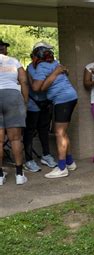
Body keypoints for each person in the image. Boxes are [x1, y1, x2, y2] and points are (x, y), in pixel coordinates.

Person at [31, 42, 78, 179]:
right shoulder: (56, 64)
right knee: (62, 132)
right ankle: (69, 162)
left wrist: (52, 75)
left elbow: (37, 87)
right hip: (70, 97)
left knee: (59, 133)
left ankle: (62, 167)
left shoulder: (41, 67)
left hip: (62, 99)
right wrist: (56, 72)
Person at [24, 45, 57, 173]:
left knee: (44, 130)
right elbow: (35, 86)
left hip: (45, 102)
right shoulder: (30, 69)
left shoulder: (50, 65)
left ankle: (46, 155)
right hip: (33, 103)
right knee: (30, 131)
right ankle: (28, 160)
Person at [0, 39, 28, 185]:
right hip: (12, 96)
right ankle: (19, 174)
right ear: (4, 49)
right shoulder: (14, 62)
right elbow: (23, 81)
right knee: (15, 139)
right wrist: (25, 101)